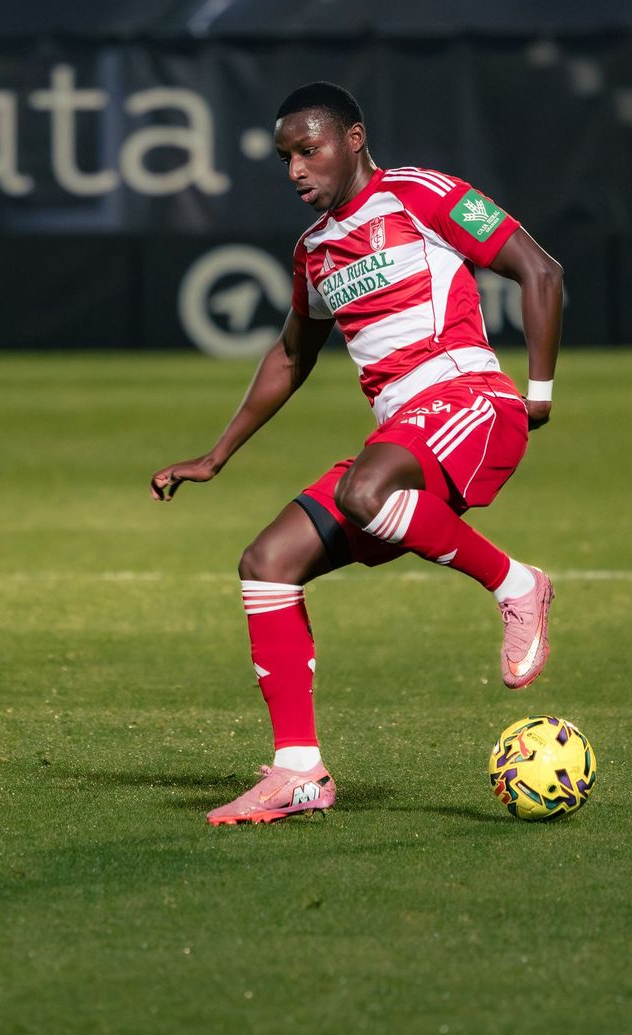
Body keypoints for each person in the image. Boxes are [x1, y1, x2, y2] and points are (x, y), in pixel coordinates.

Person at [149, 82, 564, 825]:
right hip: (402, 435)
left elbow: (541, 270)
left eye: (308, 150)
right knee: (267, 561)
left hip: (470, 399)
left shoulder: (424, 195)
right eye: (285, 158)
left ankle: (517, 583)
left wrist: (538, 389)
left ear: (354, 139)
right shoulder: (312, 253)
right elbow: (288, 355)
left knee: (364, 491)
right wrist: (216, 456)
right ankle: (299, 770)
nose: (296, 171)